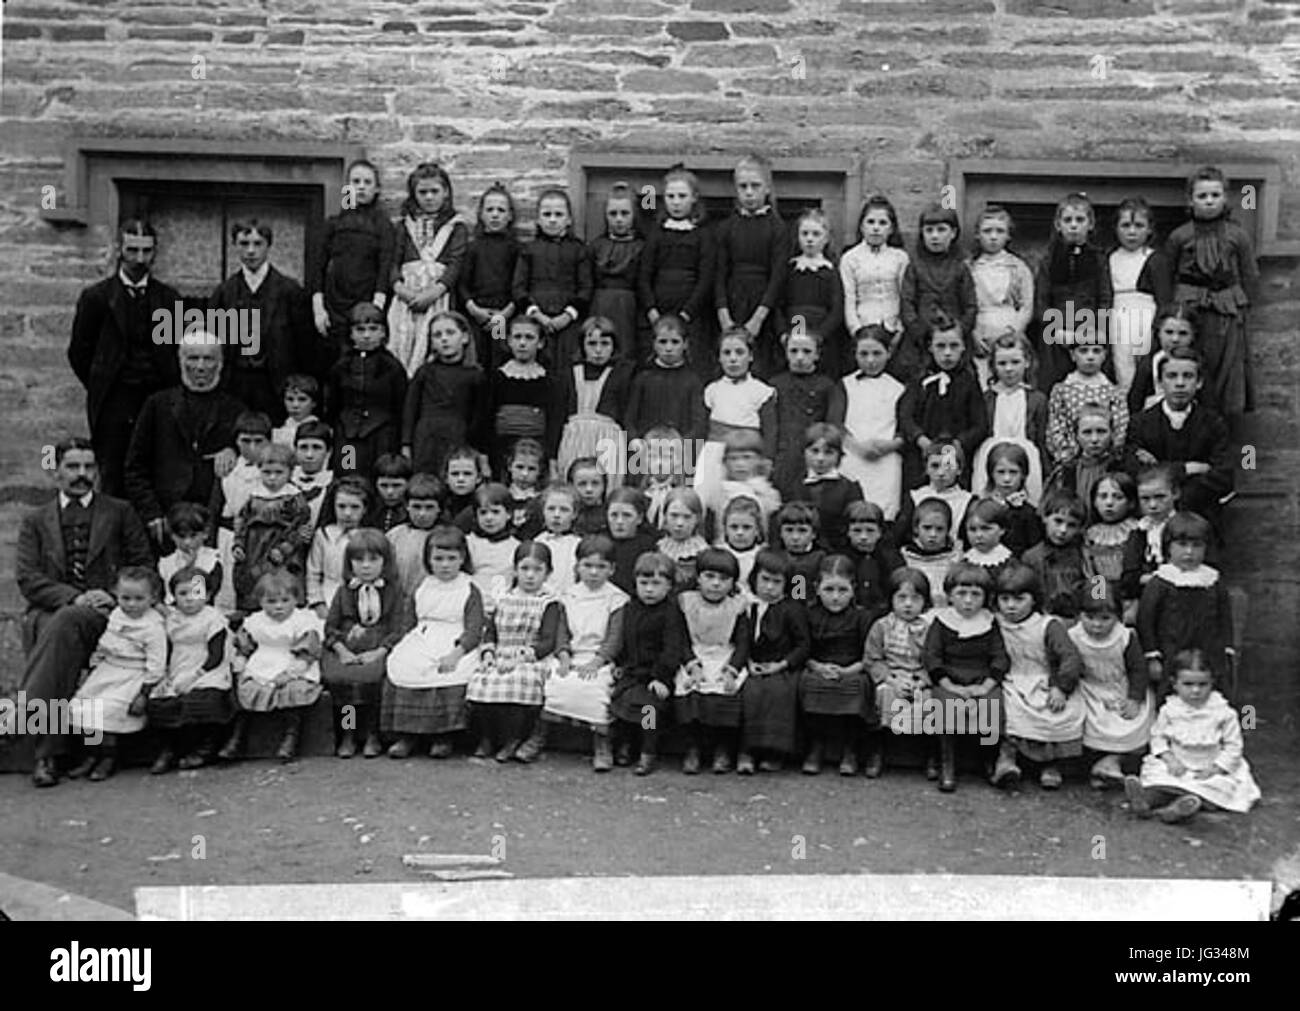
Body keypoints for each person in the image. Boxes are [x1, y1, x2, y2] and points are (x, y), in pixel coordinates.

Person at [16, 437, 153, 787]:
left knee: (61, 626)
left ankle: (42, 748)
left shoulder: (119, 511)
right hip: (56, 611)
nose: (82, 474)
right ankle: (53, 751)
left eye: (89, 467)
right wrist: (73, 598)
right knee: (59, 624)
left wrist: (110, 595)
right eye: (73, 467)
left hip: (111, 616)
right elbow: (28, 577)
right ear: (56, 471)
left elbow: (143, 565)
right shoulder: (36, 520)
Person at [68, 219, 183, 496]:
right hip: (114, 401)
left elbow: (176, 350)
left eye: (147, 251)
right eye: (133, 250)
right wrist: (102, 381)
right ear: (119, 249)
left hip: (156, 398)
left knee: (154, 469)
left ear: (155, 252)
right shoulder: (96, 297)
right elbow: (79, 352)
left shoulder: (169, 299)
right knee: (113, 471)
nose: (140, 259)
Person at [123, 333, 244, 550]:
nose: (200, 366)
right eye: (193, 358)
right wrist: (152, 514)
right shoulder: (157, 405)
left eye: (208, 359)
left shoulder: (235, 409)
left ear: (220, 363)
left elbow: (254, 458)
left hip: (213, 519)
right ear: (181, 361)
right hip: (166, 519)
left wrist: (234, 450)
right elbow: (135, 468)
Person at [1165, 165, 1260, 417]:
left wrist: (1242, 307)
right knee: (1194, 366)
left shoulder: (1238, 235)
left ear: (1225, 198)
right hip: (1192, 313)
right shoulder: (1179, 236)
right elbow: (1167, 277)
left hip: (1227, 313)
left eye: (1215, 196)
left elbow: (1250, 276)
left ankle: (1223, 433)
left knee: (1228, 373)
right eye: (1202, 196)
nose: (1209, 202)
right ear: (1191, 200)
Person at [383, 524, 484, 759]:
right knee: (404, 664)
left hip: (457, 640)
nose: (445, 565)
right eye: (438, 558)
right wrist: (401, 645)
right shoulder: (423, 585)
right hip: (423, 636)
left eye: (451, 558)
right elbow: (409, 621)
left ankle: (443, 736)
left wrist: (457, 653)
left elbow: (474, 628)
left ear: (462, 559)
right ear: (429, 560)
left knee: (450, 672)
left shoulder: (469, 588)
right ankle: (406, 734)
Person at [1125, 649, 1260, 823]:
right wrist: (1170, 759)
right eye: (1188, 684)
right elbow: (1158, 737)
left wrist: (1216, 768)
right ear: (1175, 684)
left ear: (1212, 683)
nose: (1195, 691)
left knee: (1214, 788)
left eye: (1202, 685)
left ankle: (1178, 809)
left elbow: (1234, 746)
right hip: (1178, 763)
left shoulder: (1223, 712)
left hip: (1208, 767)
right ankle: (1144, 802)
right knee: (1161, 779)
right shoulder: (1170, 709)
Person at [467, 540, 571, 763]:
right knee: (481, 680)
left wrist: (518, 659)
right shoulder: (503, 598)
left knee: (517, 680)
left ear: (548, 573)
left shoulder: (549, 603)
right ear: (515, 570)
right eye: (524, 569)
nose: (530, 576)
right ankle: (487, 737)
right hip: (501, 653)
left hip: (531, 657)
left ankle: (513, 738)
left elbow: (547, 641)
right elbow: (491, 632)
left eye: (537, 570)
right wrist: (488, 654)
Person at [67, 566, 167, 782]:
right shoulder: (117, 615)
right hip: (108, 669)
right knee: (85, 707)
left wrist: (144, 692)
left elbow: (157, 663)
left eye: (139, 598)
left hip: (132, 673)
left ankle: (109, 757)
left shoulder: (153, 626)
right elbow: (108, 641)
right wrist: (95, 663)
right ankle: (91, 754)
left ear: (152, 598)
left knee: (108, 710)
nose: (131, 604)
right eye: (125, 598)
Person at [992, 562, 1084, 792]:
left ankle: (1050, 764)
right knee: (1011, 708)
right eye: (1005, 599)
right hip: (1012, 678)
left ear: (1034, 598)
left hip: (1045, 678)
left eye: (1019, 599)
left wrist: (1061, 687)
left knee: (1056, 713)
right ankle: (1007, 758)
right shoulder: (995, 623)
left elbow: (1070, 658)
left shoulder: (1048, 625)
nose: (1011, 606)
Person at [208, 218, 314, 418]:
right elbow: (215, 344)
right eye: (244, 244)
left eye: (257, 244)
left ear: (268, 246)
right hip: (235, 385)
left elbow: (305, 346)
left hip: (276, 386)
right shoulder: (224, 293)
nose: (250, 251)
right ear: (235, 246)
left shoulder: (289, 291)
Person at [322, 529, 413, 759]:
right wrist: (341, 650)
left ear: (386, 562)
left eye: (373, 559)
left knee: (373, 680)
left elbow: (398, 627)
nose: (366, 566)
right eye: (358, 560)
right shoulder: (345, 591)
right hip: (348, 645)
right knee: (342, 681)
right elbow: (331, 626)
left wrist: (380, 651)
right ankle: (349, 733)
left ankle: (372, 733)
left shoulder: (393, 592)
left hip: (379, 645)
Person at [542, 535, 630, 771]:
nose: (593, 572)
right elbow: (562, 631)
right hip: (572, 654)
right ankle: (539, 736)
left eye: (601, 567)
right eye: (587, 566)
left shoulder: (617, 599)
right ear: (577, 566)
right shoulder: (569, 595)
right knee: (555, 682)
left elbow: (615, 637)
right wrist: (563, 655)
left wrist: (599, 660)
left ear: (612, 569)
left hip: (600, 658)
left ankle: (604, 743)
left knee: (595, 688)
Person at [222, 570, 324, 763]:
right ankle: (238, 737)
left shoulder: (302, 621)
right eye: (271, 602)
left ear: (296, 599)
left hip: (292, 661)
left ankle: (291, 737)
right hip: (263, 661)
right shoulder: (255, 621)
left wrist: (292, 672)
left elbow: (307, 651)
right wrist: (241, 659)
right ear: (260, 602)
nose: (278, 607)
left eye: (285, 600)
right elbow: (246, 645)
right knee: (247, 688)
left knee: (293, 690)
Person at [146, 566, 234, 773]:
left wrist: (196, 676)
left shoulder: (213, 618)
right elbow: (165, 648)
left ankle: (204, 749)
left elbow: (216, 655)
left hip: (206, 669)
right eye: (182, 594)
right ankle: (169, 749)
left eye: (196, 593)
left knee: (201, 699)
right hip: (179, 666)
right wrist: (165, 676)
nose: (189, 599)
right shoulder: (172, 619)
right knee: (161, 701)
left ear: (208, 594)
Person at [609, 551, 688, 775]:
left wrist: (661, 677)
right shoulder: (631, 608)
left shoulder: (670, 613)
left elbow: (673, 648)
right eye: (644, 583)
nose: (649, 590)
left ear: (669, 586)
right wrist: (620, 663)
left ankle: (648, 751)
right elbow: (626, 640)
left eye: (656, 583)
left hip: (656, 675)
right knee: (622, 702)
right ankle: (625, 744)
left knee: (649, 710)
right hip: (633, 672)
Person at [674, 548, 751, 774]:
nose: (716, 584)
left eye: (723, 579)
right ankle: (692, 747)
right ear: (698, 578)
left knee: (727, 692)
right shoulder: (686, 602)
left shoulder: (737, 606)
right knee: (688, 689)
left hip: (725, 655)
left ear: (733, 582)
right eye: (709, 577)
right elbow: (680, 639)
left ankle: (723, 748)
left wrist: (732, 670)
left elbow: (743, 643)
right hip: (695, 656)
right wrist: (692, 665)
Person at [311, 159, 395, 364]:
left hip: (366, 299)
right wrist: (318, 306)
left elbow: (385, 264)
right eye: (356, 181)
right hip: (334, 302)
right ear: (347, 187)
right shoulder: (334, 223)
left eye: (367, 182)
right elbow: (318, 265)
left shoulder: (382, 225)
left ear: (376, 189)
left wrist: (377, 305)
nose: (361, 187)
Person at [388, 162, 468, 375]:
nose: (429, 197)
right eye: (423, 192)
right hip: (407, 295)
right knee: (403, 342)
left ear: (446, 193)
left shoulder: (456, 226)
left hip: (437, 294)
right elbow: (392, 261)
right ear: (413, 194)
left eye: (435, 191)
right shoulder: (404, 226)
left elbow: (456, 264)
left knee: (432, 343)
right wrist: (401, 290)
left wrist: (434, 292)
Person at [1070, 581, 1152, 789]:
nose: (1097, 625)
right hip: (1089, 687)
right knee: (1087, 719)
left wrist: (1134, 697)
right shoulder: (1074, 636)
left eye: (1105, 618)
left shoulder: (1125, 637)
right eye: (1090, 618)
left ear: (1118, 616)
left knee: (1133, 722)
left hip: (1119, 687)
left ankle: (1112, 761)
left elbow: (1138, 669)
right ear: (1079, 615)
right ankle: (1095, 765)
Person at [714, 154, 788, 377]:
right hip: (734, 299)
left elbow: (778, 276)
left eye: (755, 186)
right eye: (742, 186)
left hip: (764, 304)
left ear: (767, 188)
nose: (748, 192)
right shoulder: (726, 227)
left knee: (761, 363)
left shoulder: (778, 228)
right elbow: (719, 274)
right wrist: (724, 315)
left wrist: (758, 318)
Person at [800, 554, 873, 776]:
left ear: (854, 589)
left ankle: (849, 749)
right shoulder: (808, 613)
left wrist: (848, 671)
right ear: (816, 588)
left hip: (852, 668)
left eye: (843, 591)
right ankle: (816, 746)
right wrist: (818, 667)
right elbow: (803, 649)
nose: (835, 597)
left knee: (857, 687)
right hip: (818, 666)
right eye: (829, 590)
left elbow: (869, 654)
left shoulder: (862, 617)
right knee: (809, 685)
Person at [637, 163, 715, 369]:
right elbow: (644, 275)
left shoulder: (703, 235)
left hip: (691, 313)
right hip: (659, 311)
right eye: (671, 197)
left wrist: (687, 312)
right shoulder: (656, 233)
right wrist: (651, 309)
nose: (676, 202)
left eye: (682, 196)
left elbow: (706, 278)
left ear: (694, 198)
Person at [738, 549, 809, 774]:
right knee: (750, 690)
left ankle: (774, 752)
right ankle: (747, 750)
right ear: (754, 578)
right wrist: (748, 662)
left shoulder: (792, 608)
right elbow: (740, 640)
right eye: (765, 580)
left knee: (779, 692)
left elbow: (803, 645)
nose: (769, 587)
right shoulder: (747, 606)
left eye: (776, 582)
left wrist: (782, 664)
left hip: (782, 665)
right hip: (753, 663)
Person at [1034, 193, 1111, 392]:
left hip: (1089, 333)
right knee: (1053, 384)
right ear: (1058, 225)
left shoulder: (1098, 259)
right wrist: (1055, 329)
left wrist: (1092, 329)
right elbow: (1041, 301)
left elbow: (1104, 298)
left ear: (1090, 224)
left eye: (1080, 220)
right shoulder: (1048, 260)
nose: (1074, 225)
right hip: (1055, 334)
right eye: (1068, 220)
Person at [829, 325, 907, 519]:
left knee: (884, 513)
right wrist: (858, 446)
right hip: (852, 455)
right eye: (863, 354)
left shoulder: (898, 387)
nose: (870, 360)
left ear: (889, 353)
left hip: (886, 460)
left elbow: (906, 426)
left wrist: (890, 445)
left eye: (877, 353)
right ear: (855, 354)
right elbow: (835, 422)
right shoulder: (845, 385)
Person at [865, 567, 935, 779]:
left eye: (915, 598)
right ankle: (877, 750)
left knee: (928, 700)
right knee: (884, 694)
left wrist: (921, 681)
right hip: (891, 675)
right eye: (901, 597)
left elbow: (934, 661)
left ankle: (930, 754)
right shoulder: (882, 626)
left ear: (925, 602)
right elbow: (872, 659)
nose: (907, 604)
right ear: (891, 599)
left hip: (918, 677)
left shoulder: (930, 629)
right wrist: (892, 679)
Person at [401, 310, 488, 478]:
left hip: (458, 437)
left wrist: (476, 451)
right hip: (425, 438)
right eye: (437, 335)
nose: (444, 339)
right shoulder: (424, 372)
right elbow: (410, 410)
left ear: (464, 337)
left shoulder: (475, 375)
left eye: (450, 333)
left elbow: (480, 418)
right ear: (431, 343)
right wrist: (406, 445)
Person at [326, 302, 408, 480]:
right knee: (347, 477)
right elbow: (333, 403)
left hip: (381, 436)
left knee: (378, 476)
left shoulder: (392, 367)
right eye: (360, 329)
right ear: (351, 333)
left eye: (373, 329)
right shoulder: (341, 366)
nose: (366, 335)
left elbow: (400, 406)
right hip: (348, 437)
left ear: (383, 332)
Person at [512, 188, 592, 368]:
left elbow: (586, 288)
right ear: (538, 219)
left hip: (569, 324)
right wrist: (537, 315)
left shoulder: (579, 249)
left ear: (569, 219)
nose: (552, 219)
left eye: (559, 214)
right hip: (535, 323)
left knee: (566, 371)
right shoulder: (529, 249)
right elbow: (518, 288)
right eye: (547, 214)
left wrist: (567, 316)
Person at [555, 316, 634, 490]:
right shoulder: (569, 373)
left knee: (608, 487)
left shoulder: (623, 373)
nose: (598, 350)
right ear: (582, 345)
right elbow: (557, 415)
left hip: (608, 439)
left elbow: (626, 415)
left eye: (605, 344)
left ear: (614, 346)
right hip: (575, 437)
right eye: (592, 344)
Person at [901, 204, 977, 379]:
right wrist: (921, 333)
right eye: (929, 230)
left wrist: (958, 331)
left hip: (953, 340)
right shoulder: (914, 266)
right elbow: (907, 303)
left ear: (953, 233)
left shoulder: (960, 267)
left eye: (941, 230)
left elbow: (970, 305)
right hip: (920, 341)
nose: (935, 236)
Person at [1107, 197, 1171, 393]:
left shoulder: (1154, 259)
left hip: (1144, 317)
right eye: (1126, 225)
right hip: (1117, 318)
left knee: (1145, 371)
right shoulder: (1110, 257)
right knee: (1122, 370)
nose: (1132, 232)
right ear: (1116, 228)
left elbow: (1164, 299)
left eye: (1139, 225)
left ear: (1149, 229)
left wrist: (1156, 329)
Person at [840, 195, 909, 376]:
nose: (876, 228)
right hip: (864, 327)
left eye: (882, 223)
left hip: (893, 329)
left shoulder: (900, 257)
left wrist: (899, 330)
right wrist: (857, 332)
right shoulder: (850, 258)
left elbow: (905, 296)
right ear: (862, 226)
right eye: (870, 222)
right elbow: (849, 297)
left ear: (891, 228)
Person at [968, 205, 1034, 387]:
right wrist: (972, 332)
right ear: (977, 235)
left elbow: (1027, 306)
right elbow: (964, 303)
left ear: (1008, 235)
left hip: (1009, 330)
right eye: (987, 231)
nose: (993, 236)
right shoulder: (969, 268)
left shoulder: (1018, 267)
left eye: (999, 231)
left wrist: (1014, 330)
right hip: (981, 334)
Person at [459, 183, 520, 369]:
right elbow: (462, 284)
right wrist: (474, 310)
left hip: (502, 316)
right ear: (481, 214)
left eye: (501, 210)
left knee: (498, 358)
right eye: (490, 209)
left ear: (509, 216)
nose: (495, 214)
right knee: (476, 360)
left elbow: (519, 284)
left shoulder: (515, 249)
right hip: (476, 315)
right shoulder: (473, 248)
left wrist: (504, 314)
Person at [780, 210, 845, 374]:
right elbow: (779, 305)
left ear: (826, 238)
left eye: (816, 234)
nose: (810, 239)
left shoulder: (830, 270)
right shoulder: (791, 268)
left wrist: (820, 336)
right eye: (805, 234)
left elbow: (836, 309)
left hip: (821, 329)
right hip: (796, 323)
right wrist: (783, 332)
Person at [587, 182, 645, 360]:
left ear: (634, 215)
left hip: (629, 308)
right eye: (613, 214)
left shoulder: (642, 246)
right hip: (599, 304)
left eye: (624, 213)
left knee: (626, 352)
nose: (619, 219)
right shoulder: (596, 246)